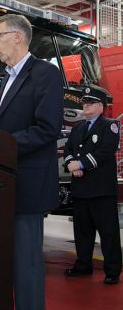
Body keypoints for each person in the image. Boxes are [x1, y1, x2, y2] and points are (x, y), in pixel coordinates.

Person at [0, 14, 63, 310]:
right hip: (5, 183)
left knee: (27, 265)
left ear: (17, 37)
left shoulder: (44, 73)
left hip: (29, 185)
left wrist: (0, 144)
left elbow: (48, 128)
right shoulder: (6, 78)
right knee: (6, 262)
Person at [64, 87, 122, 285]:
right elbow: (69, 149)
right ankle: (83, 266)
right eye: (84, 101)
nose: (85, 104)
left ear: (100, 106)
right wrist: (71, 164)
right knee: (82, 232)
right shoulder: (78, 128)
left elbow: (105, 151)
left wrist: (81, 165)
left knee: (108, 232)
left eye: (90, 102)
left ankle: (113, 270)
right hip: (81, 188)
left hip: (101, 190)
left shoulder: (110, 126)